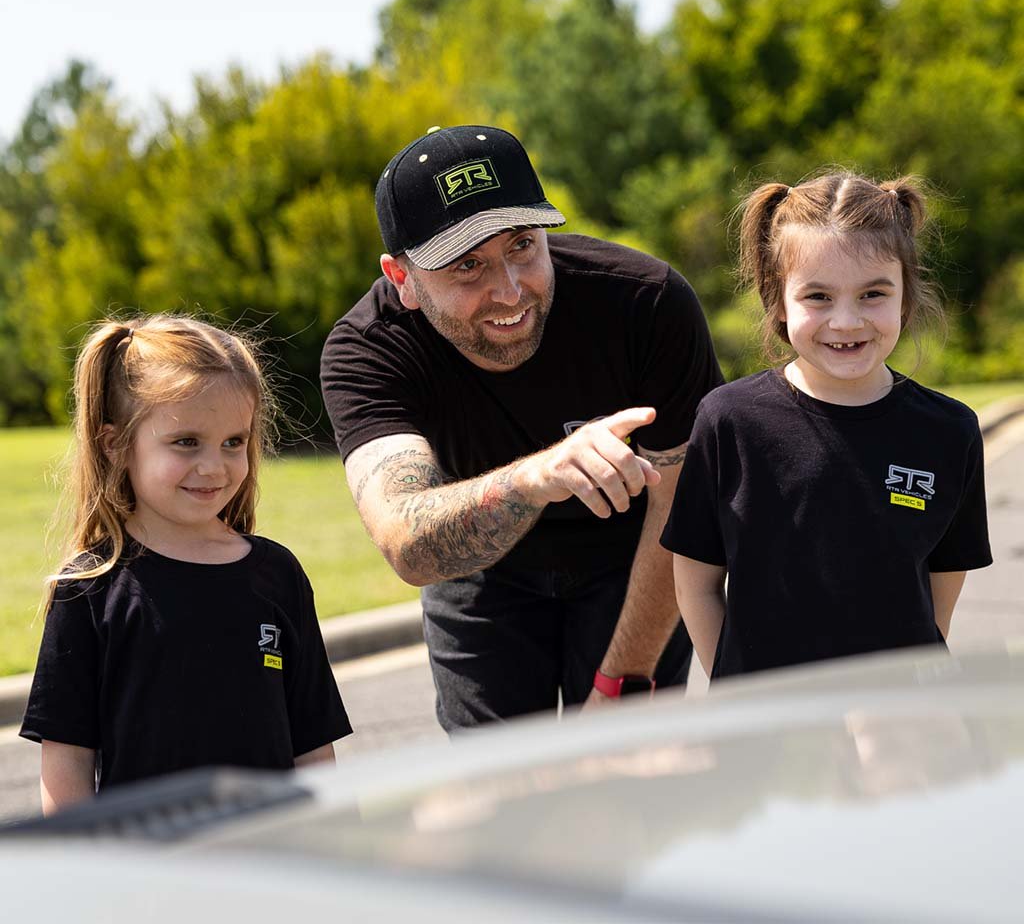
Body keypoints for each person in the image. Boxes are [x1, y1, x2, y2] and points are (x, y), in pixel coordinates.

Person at [321, 124, 723, 732]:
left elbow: (684, 508)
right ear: (401, 278)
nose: (508, 291)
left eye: (521, 247)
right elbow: (407, 540)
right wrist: (537, 477)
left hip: (633, 557)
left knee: (629, 788)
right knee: (501, 793)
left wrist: (622, 683)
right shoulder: (368, 350)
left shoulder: (648, 304)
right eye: (466, 265)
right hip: (482, 570)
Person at [662, 173, 993, 680]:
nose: (846, 321)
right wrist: (737, 694)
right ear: (777, 299)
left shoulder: (950, 431)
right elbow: (696, 585)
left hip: (902, 730)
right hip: (770, 732)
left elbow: (937, 604)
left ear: (905, 295)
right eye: (818, 296)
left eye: (872, 294)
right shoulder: (729, 420)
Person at [20, 315, 352, 813]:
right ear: (116, 445)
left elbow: (313, 747)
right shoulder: (89, 589)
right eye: (186, 442)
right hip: (152, 881)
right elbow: (66, 763)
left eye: (233, 442)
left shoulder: (277, 575)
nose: (214, 466)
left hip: (274, 869)